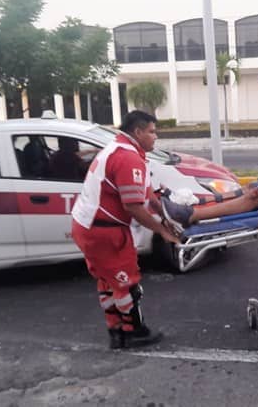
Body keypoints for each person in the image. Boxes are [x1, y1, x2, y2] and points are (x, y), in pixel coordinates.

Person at [71, 110, 179, 349]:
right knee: (127, 284)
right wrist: (161, 230)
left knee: (108, 282)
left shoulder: (123, 150)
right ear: (138, 132)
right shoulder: (127, 158)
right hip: (103, 231)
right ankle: (134, 332)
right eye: (151, 131)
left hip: (88, 227)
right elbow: (132, 206)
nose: (155, 136)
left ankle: (116, 331)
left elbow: (147, 192)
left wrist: (164, 214)